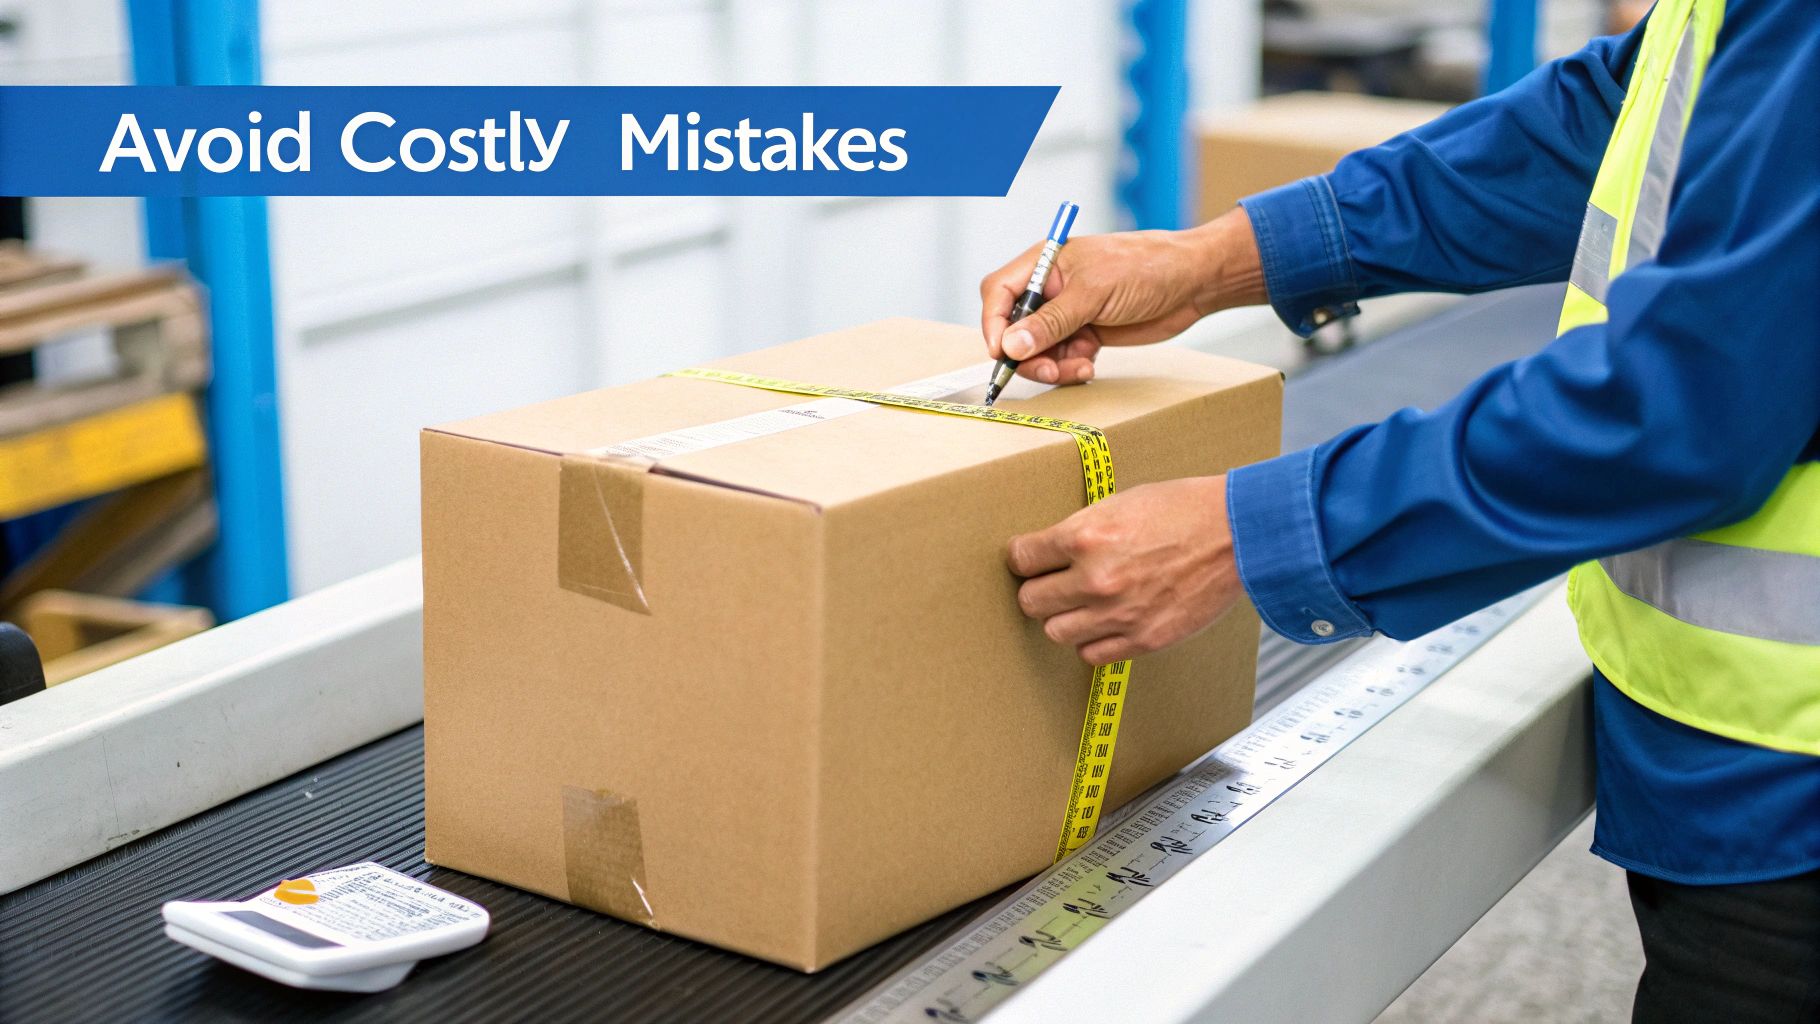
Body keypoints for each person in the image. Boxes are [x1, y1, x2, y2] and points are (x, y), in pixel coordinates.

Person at [978, 0, 1819, 1020]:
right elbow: (1606, 120)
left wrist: (1258, 534)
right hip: (1739, 756)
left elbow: (1688, 401)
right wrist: (1215, 259)